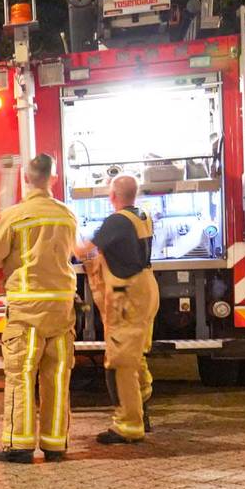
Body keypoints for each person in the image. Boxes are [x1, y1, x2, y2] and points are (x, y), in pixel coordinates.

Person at [0, 154, 78, 463]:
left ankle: (18, 445)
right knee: (57, 376)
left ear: (26, 179)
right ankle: (55, 444)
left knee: (21, 374)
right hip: (62, 310)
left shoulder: (16, 216)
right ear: (53, 179)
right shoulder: (67, 215)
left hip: (27, 309)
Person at [79, 174, 159, 444]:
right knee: (137, 355)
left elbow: (83, 250)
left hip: (127, 297)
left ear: (112, 196)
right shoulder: (142, 216)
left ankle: (128, 424)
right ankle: (142, 407)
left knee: (120, 362)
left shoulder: (116, 221)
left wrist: (66, 237)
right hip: (147, 289)